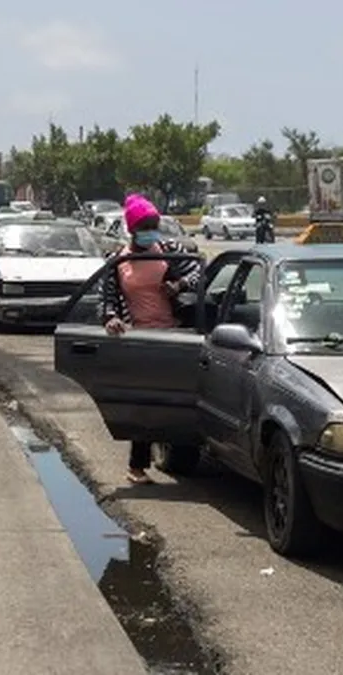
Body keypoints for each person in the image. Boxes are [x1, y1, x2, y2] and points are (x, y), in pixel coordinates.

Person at [100, 194, 202, 484]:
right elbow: (107, 300)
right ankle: (137, 467)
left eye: (153, 226)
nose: (150, 232)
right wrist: (111, 319)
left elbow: (199, 270)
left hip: (176, 335)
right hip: (140, 339)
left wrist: (179, 284)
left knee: (178, 400)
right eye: (145, 227)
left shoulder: (169, 250)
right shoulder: (118, 261)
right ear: (132, 230)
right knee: (144, 404)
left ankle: (181, 456)